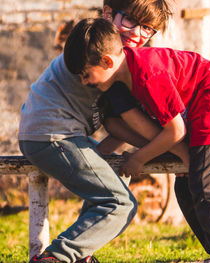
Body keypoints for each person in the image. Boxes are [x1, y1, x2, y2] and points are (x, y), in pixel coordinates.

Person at [64, 18, 210, 263]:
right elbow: (124, 128)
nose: (84, 82)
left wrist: (138, 159)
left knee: (208, 190)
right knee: (185, 188)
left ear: (107, 61)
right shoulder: (127, 74)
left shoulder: (146, 74)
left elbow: (175, 132)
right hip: (198, 113)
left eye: (85, 74)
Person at [18, 1, 172, 262]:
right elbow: (127, 123)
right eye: (130, 22)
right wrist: (170, 142)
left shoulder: (115, 57)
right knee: (120, 204)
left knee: (116, 179)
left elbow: (116, 125)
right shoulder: (96, 53)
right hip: (53, 135)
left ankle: (79, 254)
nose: (137, 34)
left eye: (148, 29)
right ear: (108, 13)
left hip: (58, 133)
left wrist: (145, 148)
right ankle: (57, 257)